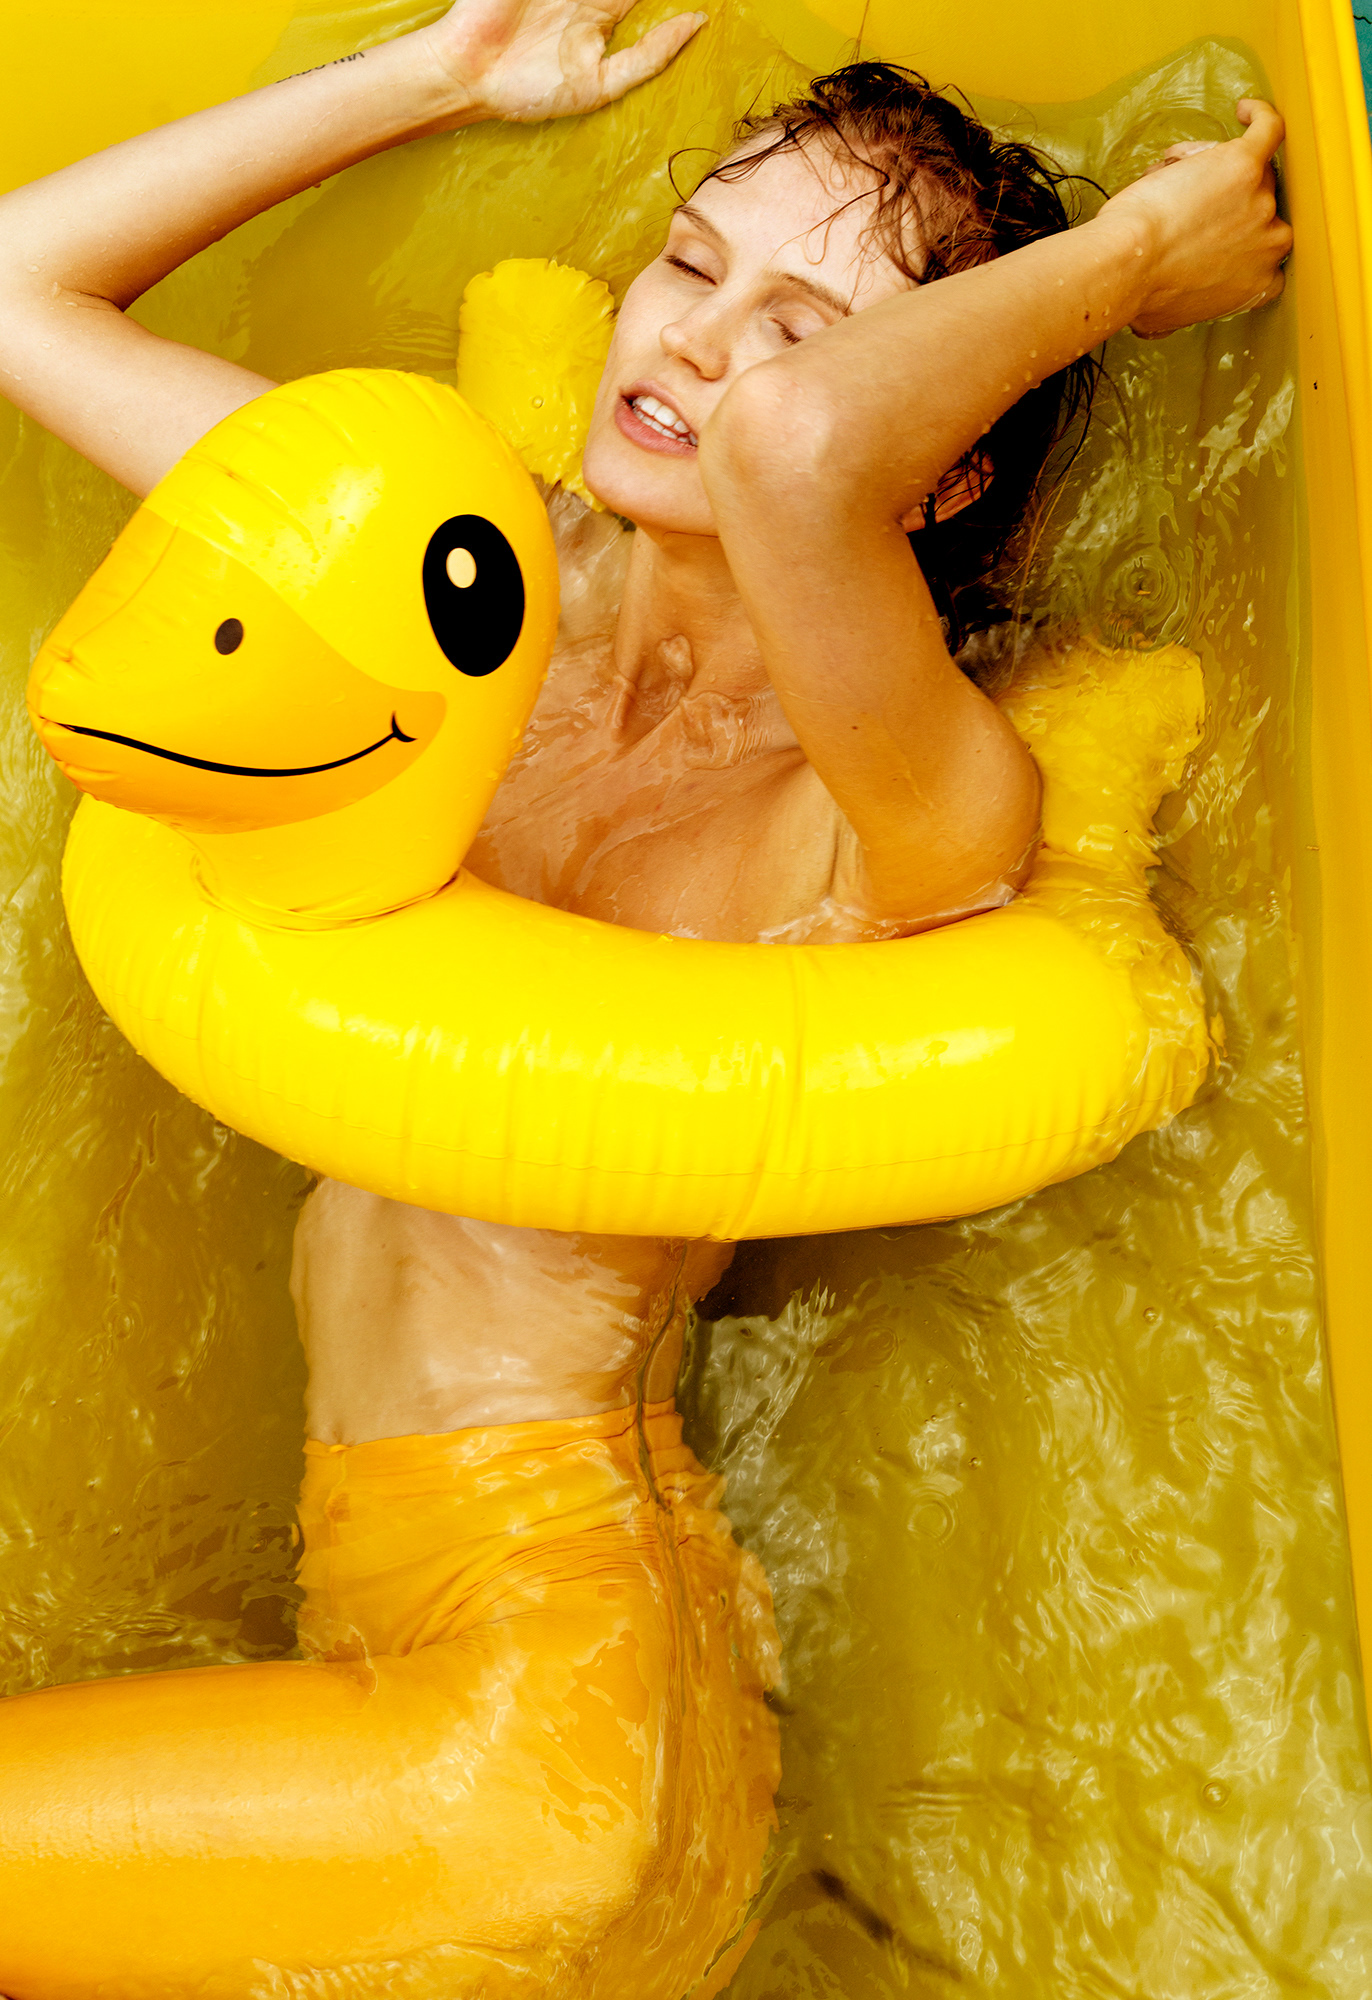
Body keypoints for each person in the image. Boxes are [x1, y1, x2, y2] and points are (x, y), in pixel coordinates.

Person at [0, 0, 1291, 1991]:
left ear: (936, 474)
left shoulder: (893, 809)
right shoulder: (456, 611)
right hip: (429, 1637)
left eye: (799, 326)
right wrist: (436, 77)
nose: (693, 344)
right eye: (687, 264)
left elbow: (795, 461)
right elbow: (19, 289)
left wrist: (1129, 266)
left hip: (547, 1733)